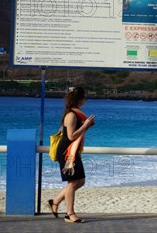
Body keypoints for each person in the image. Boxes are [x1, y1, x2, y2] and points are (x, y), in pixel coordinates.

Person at [47, 87, 96, 224]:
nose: (85, 100)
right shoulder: (71, 115)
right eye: (84, 97)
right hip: (67, 153)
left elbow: (77, 133)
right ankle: (70, 214)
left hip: (73, 151)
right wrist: (85, 125)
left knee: (80, 181)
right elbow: (71, 136)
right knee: (73, 182)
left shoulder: (75, 113)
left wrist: (86, 126)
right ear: (79, 99)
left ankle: (55, 201)